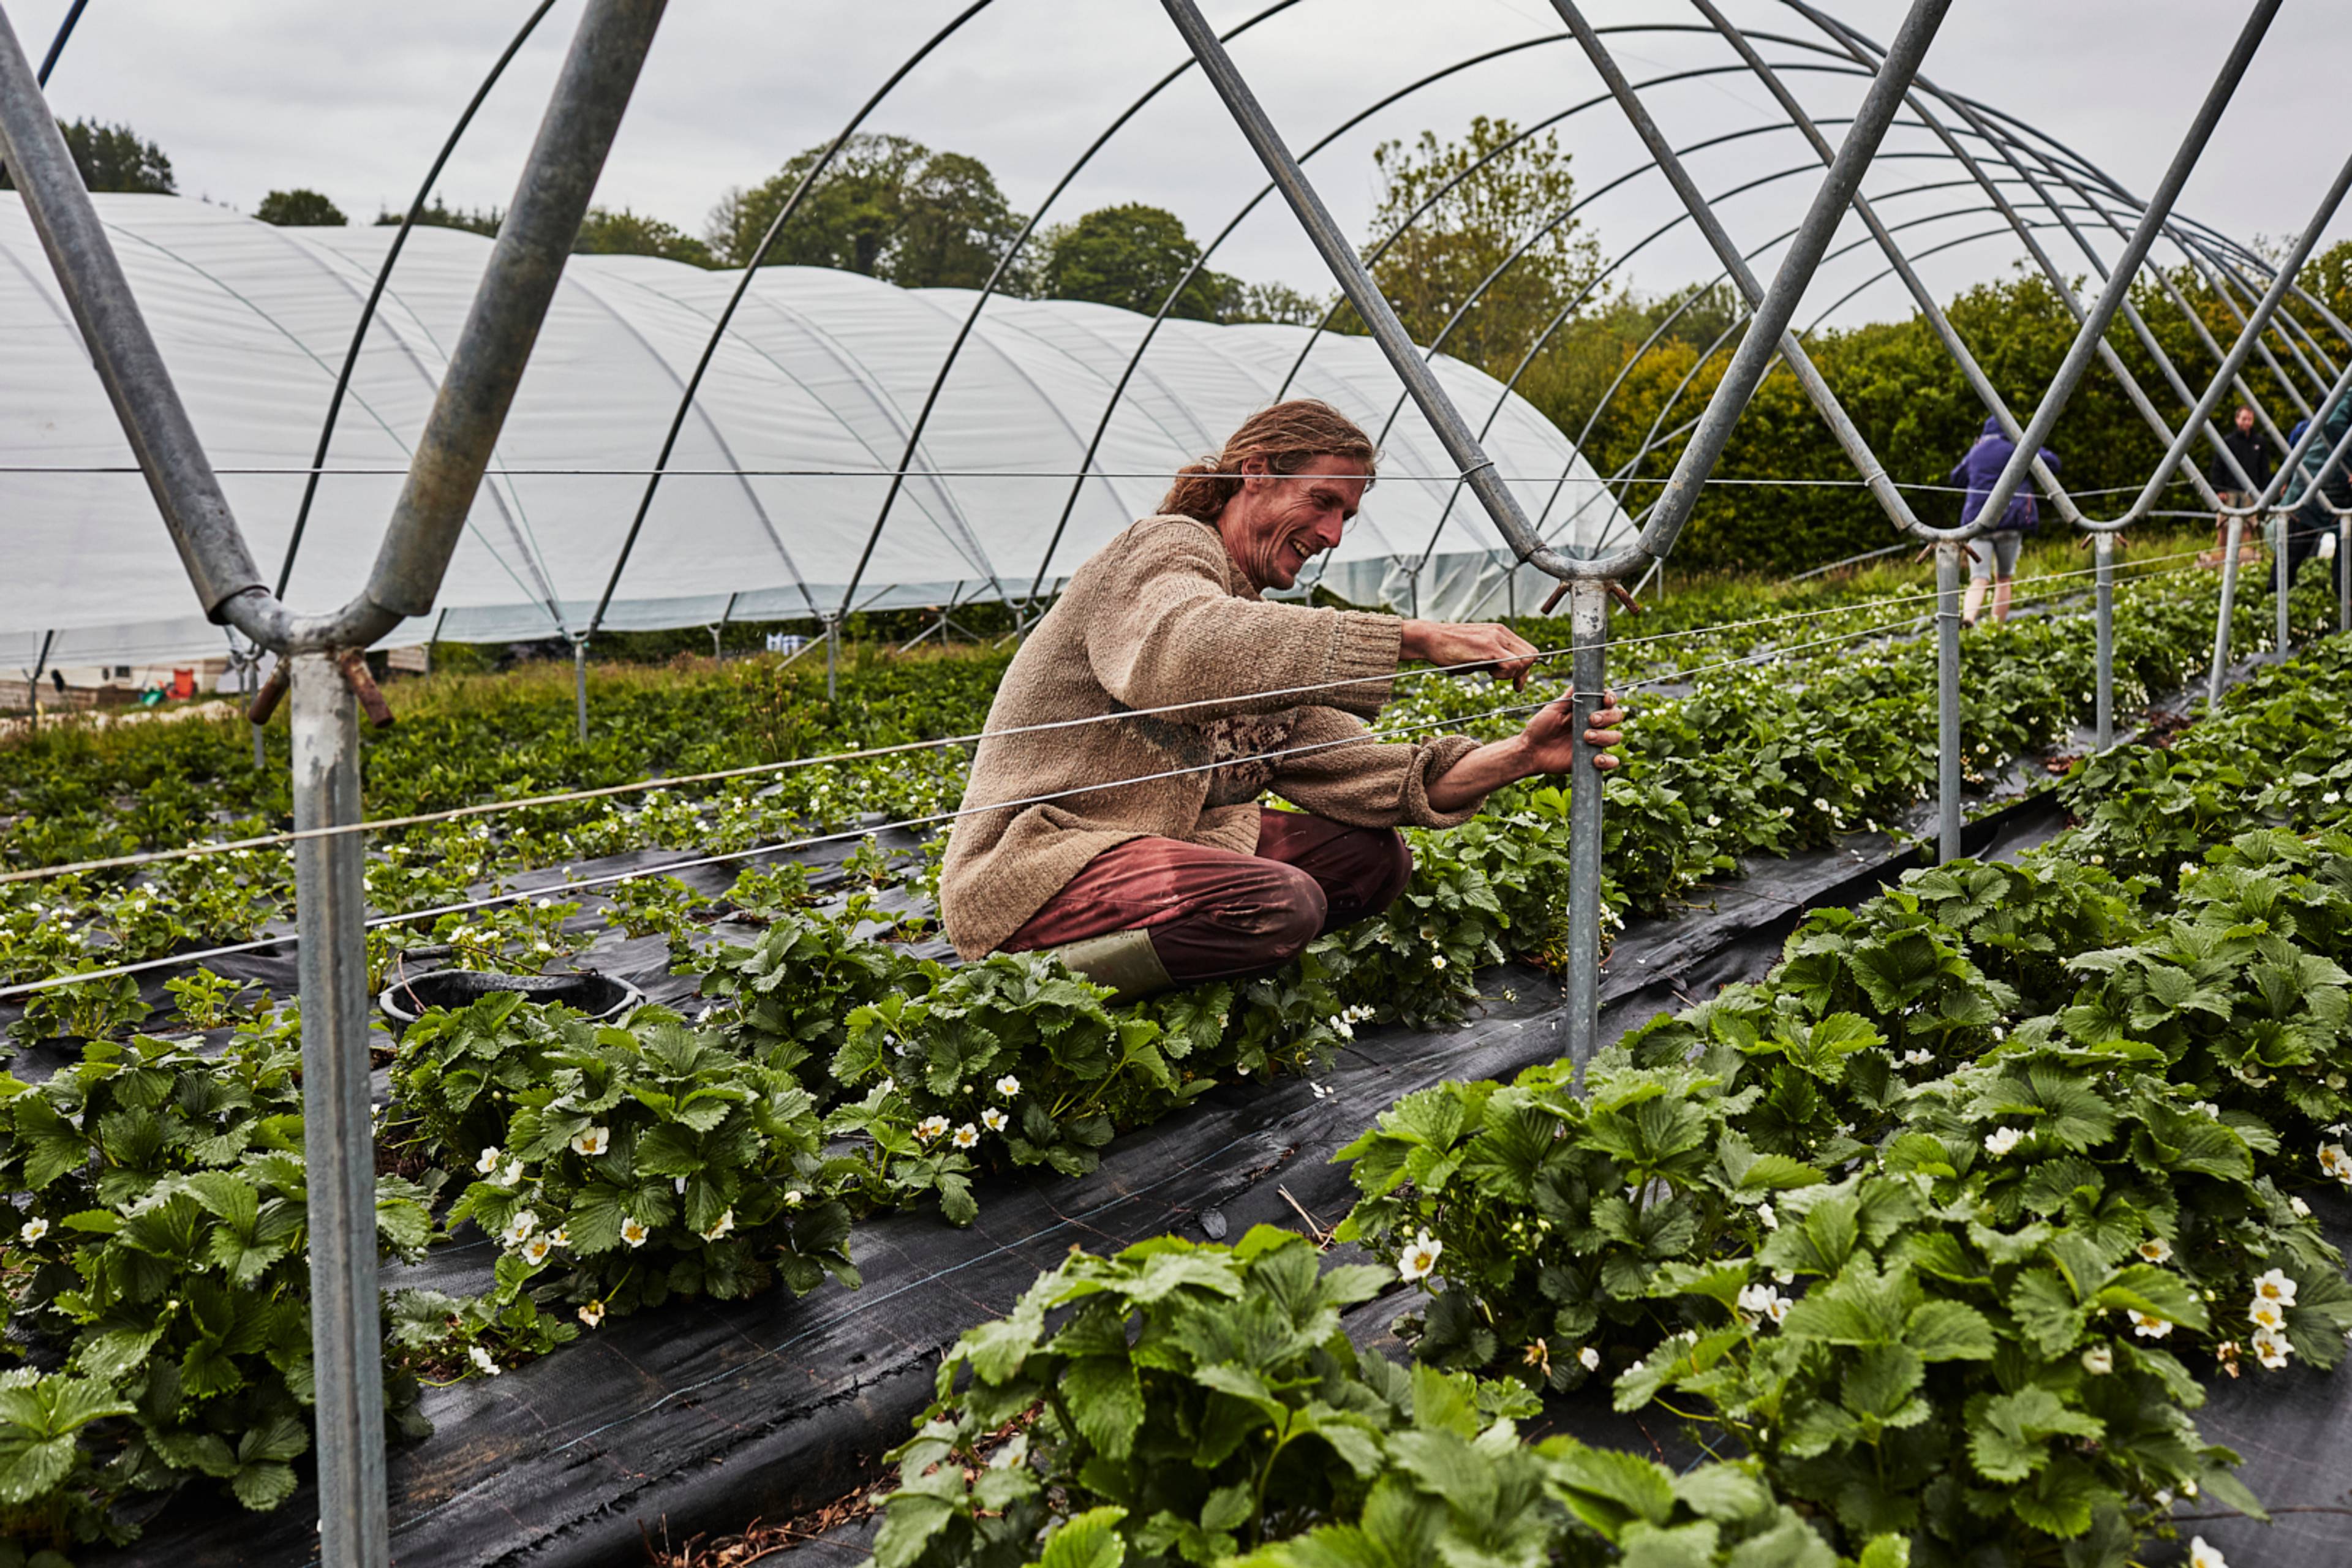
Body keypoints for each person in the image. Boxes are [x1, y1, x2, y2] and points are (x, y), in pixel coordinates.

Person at [936, 399, 1627, 1001]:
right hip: (1039, 862)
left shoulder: (1262, 635)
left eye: (1347, 517)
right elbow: (1181, 651)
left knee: (1372, 862)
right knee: (1277, 902)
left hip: (1152, 849)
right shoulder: (1165, 549)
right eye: (1322, 501)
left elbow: (1368, 773)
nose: (1330, 535)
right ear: (1256, 472)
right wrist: (1411, 639)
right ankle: (1037, 993)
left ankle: (1188, 973)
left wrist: (1523, 754)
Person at [1947, 414, 2058, 626]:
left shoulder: (1976, 452)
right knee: (2004, 578)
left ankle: (1969, 618)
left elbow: (1957, 478)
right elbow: (2053, 463)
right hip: (2010, 520)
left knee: (1979, 578)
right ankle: (1996, 628)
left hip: (1978, 523)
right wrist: (2024, 444)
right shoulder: (2017, 448)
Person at [2281, 387, 2352, 591]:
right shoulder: (2340, 408)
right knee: (2293, 552)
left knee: (2345, 552)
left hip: (2339, 491)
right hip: (2314, 488)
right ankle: (2274, 602)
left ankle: (2345, 604)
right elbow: (2334, 425)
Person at [2206, 404, 2272, 568]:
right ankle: (2223, 560)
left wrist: (2263, 490)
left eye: (2249, 419)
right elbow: (2218, 466)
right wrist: (2219, 490)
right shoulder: (2228, 441)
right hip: (2229, 491)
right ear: (2237, 420)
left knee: (2248, 526)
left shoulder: (2260, 442)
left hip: (2250, 492)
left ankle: (2244, 561)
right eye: (2243, 419)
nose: (2246, 422)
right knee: (2224, 526)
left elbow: (2264, 468)